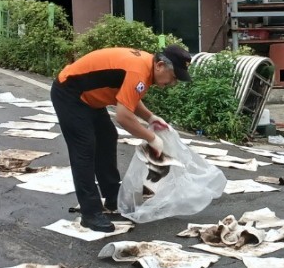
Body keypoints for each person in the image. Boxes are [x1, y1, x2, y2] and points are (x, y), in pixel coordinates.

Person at [51, 45, 191, 232]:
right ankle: (90, 212)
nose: (173, 83)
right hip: (70, 93)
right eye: (173, 77)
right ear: (160, 65)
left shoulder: (145, 68)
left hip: (90, 99)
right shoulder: (139, 71)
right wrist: (151, 138)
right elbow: (123, 116)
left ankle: (112, 197)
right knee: (84, 148)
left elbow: (129, 97)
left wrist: (150, 118)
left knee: (107, 137)